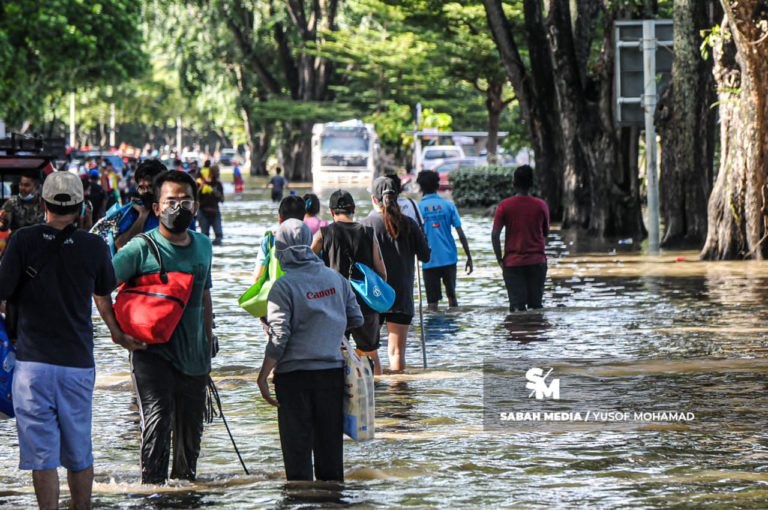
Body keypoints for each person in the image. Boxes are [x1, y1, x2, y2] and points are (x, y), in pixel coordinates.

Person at [0, 171, 121, 510]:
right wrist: (120, 334)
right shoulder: (94, 245)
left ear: (43, 204)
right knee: (79, 450)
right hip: (77, 365)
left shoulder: (22, 240)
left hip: (31, 366)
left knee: (42, 456)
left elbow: (2, 290)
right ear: (83, 207)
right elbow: (105, 292)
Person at [94, 170, 215, 484]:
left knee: (191, 437)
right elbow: (100, 285)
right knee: (158, 423)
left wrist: (208, 335)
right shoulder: (139, 248)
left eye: (185, 200)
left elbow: (203, 293)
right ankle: (151, 494)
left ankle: (185, 496)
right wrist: (116, 332)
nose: (178, 207)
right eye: (170, 201)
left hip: (195, 357)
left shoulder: (204, 245)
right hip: (151, 354)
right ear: (157, 208)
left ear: (196, 206)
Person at [257, 219, 364, 481]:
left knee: (298, 461)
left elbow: (280, 337)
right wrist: (327, 326)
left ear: (281, 250)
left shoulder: (282, 286)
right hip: (332, 377)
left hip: (294, 380)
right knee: (330, 460)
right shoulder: (336, 279)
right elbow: (357, 319)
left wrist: (262, 376)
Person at [311, 190, 387, 373]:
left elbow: (305, 263)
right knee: (370, 353)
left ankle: (341, 393)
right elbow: (382, 273)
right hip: (365, 305)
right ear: (353, 209)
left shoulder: (324, 233)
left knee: (336, 351)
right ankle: (377, 395)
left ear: (331, 211)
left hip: (334, 303)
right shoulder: (368, 233)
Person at [362, 177, 430, 372]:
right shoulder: (409, 224)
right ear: (397, 198)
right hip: (401, 295)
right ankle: (398, 398)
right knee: (397, 352)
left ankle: (378, 396)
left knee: (370, 349)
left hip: (374, 296)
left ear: (374, 200)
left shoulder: (366, 225)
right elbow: (425, 256)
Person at [491, 165, 550, 311]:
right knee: (536, 308)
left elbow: (495, 235)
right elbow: (545, 233)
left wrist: (500, 259)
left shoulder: (504, 206)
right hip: (537, 262)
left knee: (517, 309)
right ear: (531, 183)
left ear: (514, 183)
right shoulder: (541, 205)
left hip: (513, 263)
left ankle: (518, 333)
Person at [416, 171, 473, 310]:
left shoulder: (417, 209)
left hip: (428, 260)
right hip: (449, 258)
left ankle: (434, 331)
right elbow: (461, 233)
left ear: (421, 187)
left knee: (432, 304)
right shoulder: (448, 205)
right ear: (437, 185)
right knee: (452, 299)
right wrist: (469, 257)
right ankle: (453, 330)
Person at [114, 159, 167, 251]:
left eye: (150, 187)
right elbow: (120, 245)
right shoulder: (131, 211)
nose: (146, 192)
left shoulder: (173, 211)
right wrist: (142, 216)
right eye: (142, 188)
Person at [253, 195, 305, 283]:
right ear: (303, 219)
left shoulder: (269, 240)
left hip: (275, 293)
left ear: (280, 218)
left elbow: (258, 276)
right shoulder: (310, 240)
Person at [197, 164, 225, 245]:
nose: (218, 173)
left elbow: (222, 199)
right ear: (211, 172)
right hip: (203, 212)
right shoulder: (201, 183)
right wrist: (201, 187)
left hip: (215, 212)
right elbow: (195, 197)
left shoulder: (218, 184)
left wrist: (217, 194)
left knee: (219, 236)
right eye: (217, 171)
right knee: (205, 237)